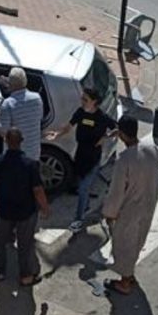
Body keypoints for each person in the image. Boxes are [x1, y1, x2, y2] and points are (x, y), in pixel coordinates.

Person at [101, 115, 158, 295]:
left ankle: (125, 282)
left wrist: (110, 212)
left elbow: (117, 191)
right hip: (148, 203)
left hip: (131, 209)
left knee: (124, 243)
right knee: (137, 241)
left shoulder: (124, 159)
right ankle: (130, 274)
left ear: (123, 135)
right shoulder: (151, 148)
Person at [45, 88, 117, 231]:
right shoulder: (80, 112)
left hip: (93, 158)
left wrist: (105, 137)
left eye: (85, 99)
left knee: (84, 188)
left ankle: (79, 219)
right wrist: (56, 134)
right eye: (82, 99)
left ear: (94, 102)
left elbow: (117, 128)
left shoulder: (102, 117)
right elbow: (69, 126)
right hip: (80, 154)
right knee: (79, 183)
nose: (82, 101)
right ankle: (86, 204)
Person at [0, 128, 50, 287]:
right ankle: (26, 276)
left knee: (0, 242)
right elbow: (37, 190)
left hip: (4, 210)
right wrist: (45, 207)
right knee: (25, 244)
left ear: (6, 142)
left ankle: (0, 273)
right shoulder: (30, 164)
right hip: (26, 211)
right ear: (21, 142)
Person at [0, 68, 43, 161]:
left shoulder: (7, 104)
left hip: (15, 157)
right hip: (34, 153)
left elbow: (3, 132)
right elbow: (39, 118)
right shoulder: (37, 98)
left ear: (10, 84)